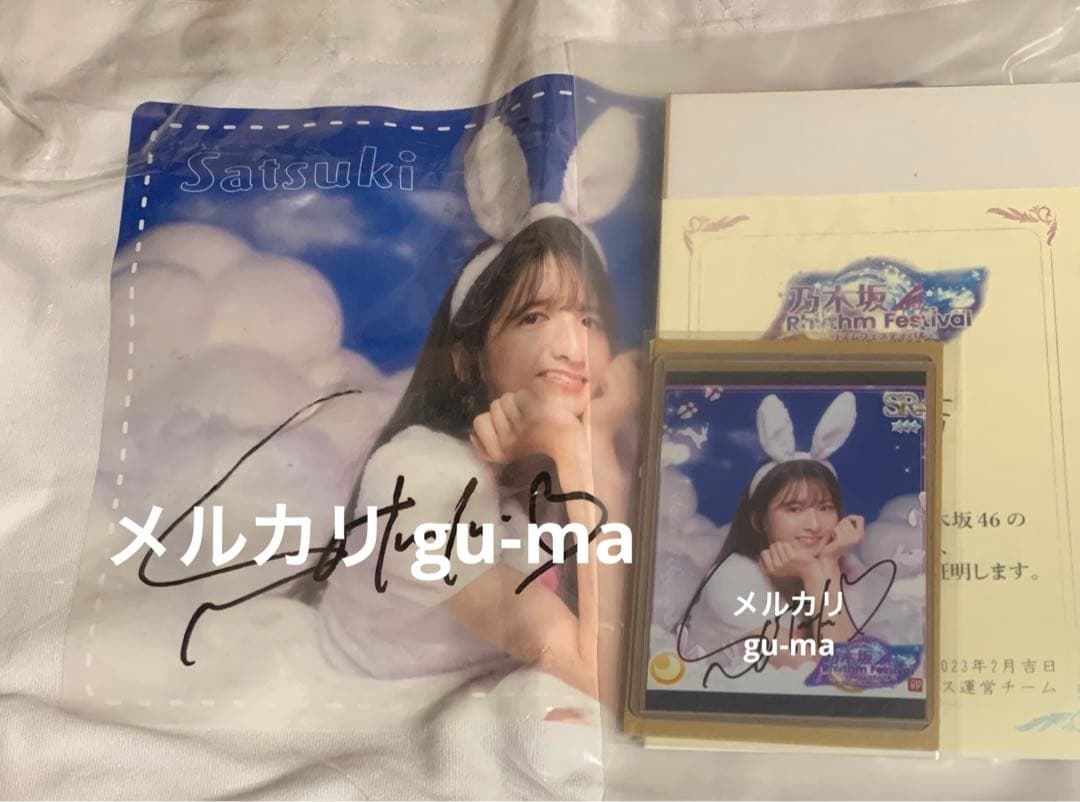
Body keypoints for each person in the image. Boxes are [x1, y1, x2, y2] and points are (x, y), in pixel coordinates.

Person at [317, 213, 637, 706]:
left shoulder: (550, 458)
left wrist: (587, 445)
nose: (573, 349)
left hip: (472, 693)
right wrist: (587, 448)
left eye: (588, 320)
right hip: (369, 711)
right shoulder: (422, 478)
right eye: (533, 317)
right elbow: (608, 683)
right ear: (472, 359)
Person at [677, 392, 865, 669]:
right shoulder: (734, 581)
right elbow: (839, 674)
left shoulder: (841, 566)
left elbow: (862, 668)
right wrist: (815, 572)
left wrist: (826, 566)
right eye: (794, 509)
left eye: (825, 507)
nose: (814, 525)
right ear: (759, 520)